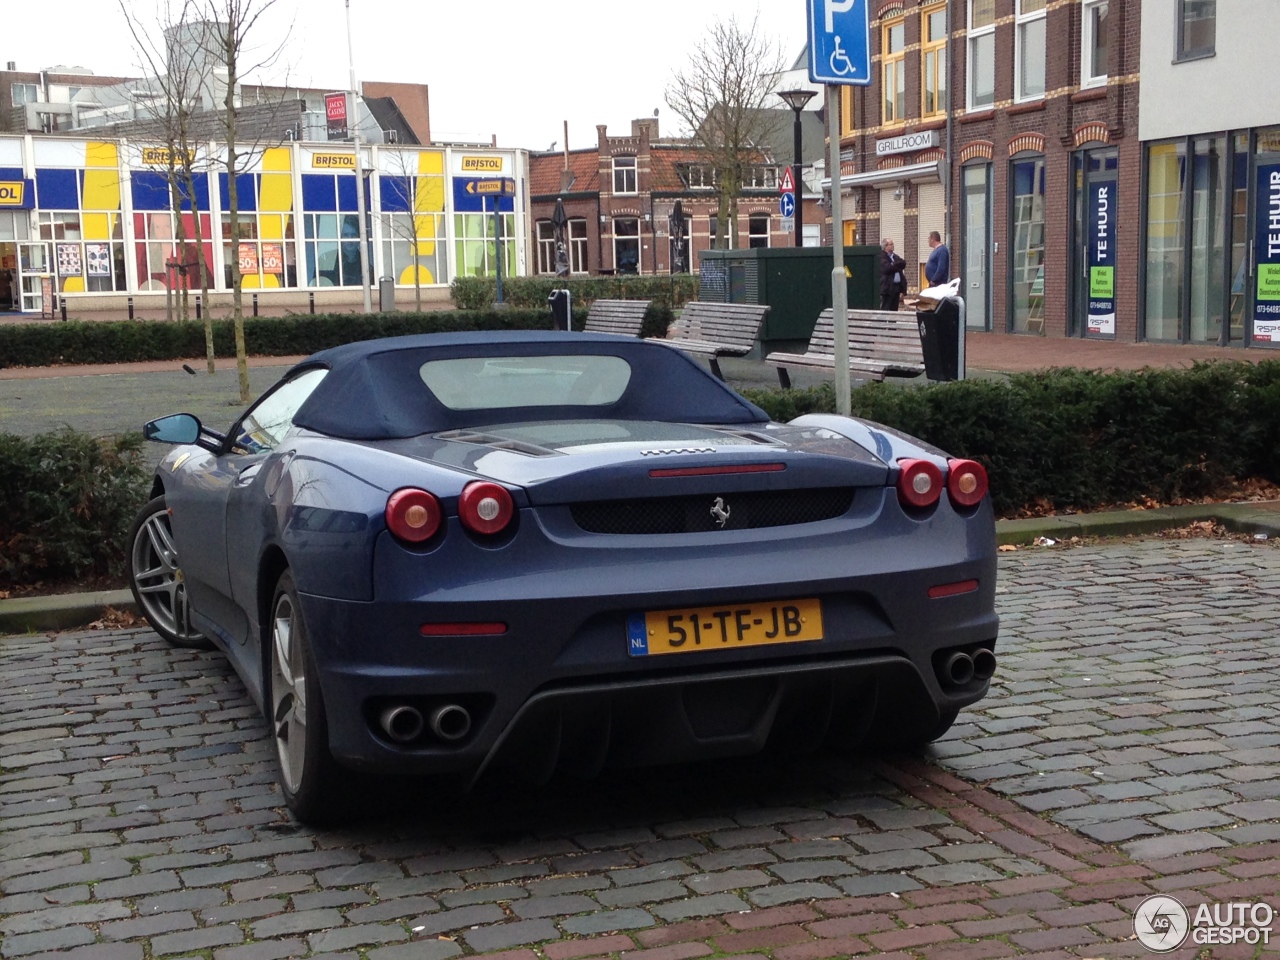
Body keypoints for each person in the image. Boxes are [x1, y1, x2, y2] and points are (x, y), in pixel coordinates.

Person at [880, 238, 908, 311]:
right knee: (885, 308)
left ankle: (893, 322)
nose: (893, 246)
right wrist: (897, 267)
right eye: (891, 244)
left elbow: (903, 263)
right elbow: (887, 268)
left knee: (894, 309)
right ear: (886, 246)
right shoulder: (882, 256)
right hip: (887, 288)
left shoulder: (895, 256)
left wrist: (894, 265)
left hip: (897, 288)